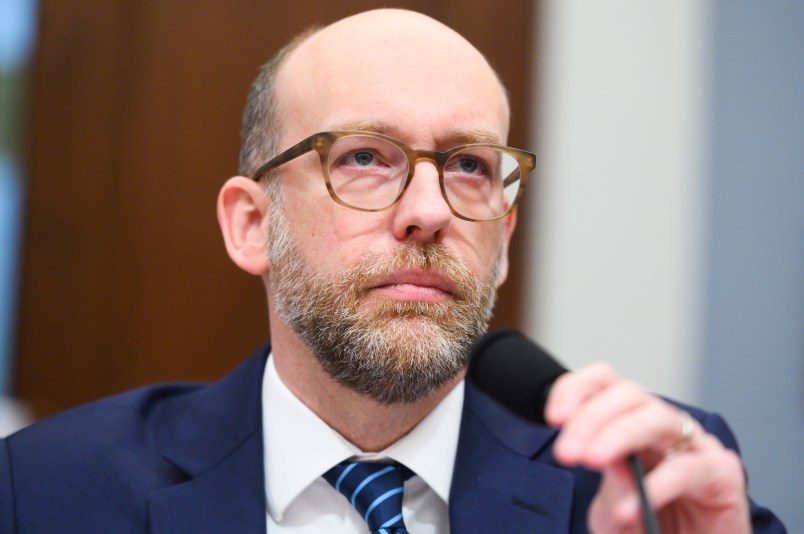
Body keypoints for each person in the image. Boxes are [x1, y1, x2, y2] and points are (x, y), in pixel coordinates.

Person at [0, 8, 785, 533]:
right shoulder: (44, 490)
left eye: (469, 165)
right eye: (366, 157)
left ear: (504, 239)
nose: (430, 210)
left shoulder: (645, 487)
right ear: (251, 224)